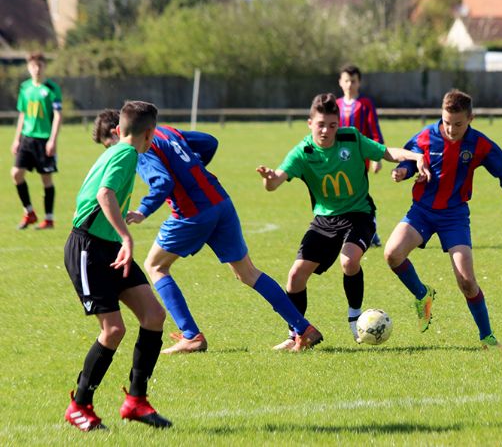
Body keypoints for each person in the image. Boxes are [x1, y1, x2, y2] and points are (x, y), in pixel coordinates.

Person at [92, 109, 323, 354]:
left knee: (155, 266)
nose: (113, 153)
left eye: (109, 146)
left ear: (118, 131)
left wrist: (143, 210)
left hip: (193, 212)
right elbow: (209, 142)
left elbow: (163, 182)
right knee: (248, 273)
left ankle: (190, 335)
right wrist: (192, 169)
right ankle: (303, 328)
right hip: (220, 201)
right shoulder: (166, 130)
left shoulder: (139, 148)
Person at [257, 92, 429, 349]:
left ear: (339, 124)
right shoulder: (302, 152)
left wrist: (415, 157)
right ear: (309, 123)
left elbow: (387, 153)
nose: (326, 130)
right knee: (295, 277)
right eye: (320, 124)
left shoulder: (351, 138)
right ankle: (298, 334)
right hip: (324, 220)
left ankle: (354, 316)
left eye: (332, 125)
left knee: (349, 261)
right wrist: (269, 178)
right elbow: (276, 181)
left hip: (359, 214)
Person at [383, 89, 502, 349]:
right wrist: (402, 172)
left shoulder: (479, 144)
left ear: (471, 118)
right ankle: (422, 294)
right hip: (422, 211)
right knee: (392, 254)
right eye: (447, 122)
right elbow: (410, 157)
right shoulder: (427, 135)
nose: (451, 129)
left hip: (454, 216)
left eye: (458, 124)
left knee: (466, 281)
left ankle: (487, 337)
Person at [63, 101, 171, 432]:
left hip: (106, 246)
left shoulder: (118, 150)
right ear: (150, 133)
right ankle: (79, 405)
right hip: (89, 249)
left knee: (153, 316)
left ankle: (136, 401)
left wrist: (118, 236)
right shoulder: (125, 155)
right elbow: (105, 195)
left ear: (119, 128)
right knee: (113, 330)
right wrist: (127, 237)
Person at [10, 51, 62, 229]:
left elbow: (57, 116)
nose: (37, 69)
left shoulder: (51, 88)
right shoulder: (25, 88)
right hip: (26, 139)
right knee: (16, 174)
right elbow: (23, 114)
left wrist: (52, 140)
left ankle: (48, 219)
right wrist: (17, 139)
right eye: (33, 66)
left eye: (40, 65)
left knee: (46, 179)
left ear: (44, 67)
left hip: (44, 140)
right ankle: (29, 212)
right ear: (28, 68)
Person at [336, 64, 385, 246]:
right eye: (346, 80)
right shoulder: (336, 105)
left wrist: (376, 157)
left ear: (359, 82)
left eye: (353, 81)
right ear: (340, 82)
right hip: (337, 159)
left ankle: (370, 231)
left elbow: (374, 130)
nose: (350, 84)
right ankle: (351, 230)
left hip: (358, 159)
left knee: (358, 194)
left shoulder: (365, 104)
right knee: (342, 193)